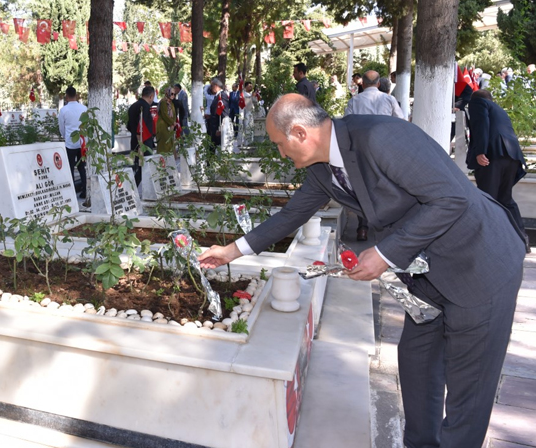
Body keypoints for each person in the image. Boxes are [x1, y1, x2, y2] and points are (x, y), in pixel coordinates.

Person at [198, 93, 526, 448]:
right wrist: (230, 251)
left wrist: (384, 253)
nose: (281, 154)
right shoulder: (323, 169)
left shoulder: (382, 136)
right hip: (428, 280)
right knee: (417, 370)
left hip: (478, 266)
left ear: (299, 133)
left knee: (467, 396)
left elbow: (452, 198)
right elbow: (292, 215)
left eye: (280, 145)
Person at [344, 70, 405, 241]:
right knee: (386, 187)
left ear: (362, 83)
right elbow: (400, 123)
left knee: (362, 187)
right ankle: (385, 228)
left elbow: (346, 125)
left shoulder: (354, 101)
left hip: (361, 149)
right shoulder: (389, 99)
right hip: (385, 149)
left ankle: (362, 228)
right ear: (379, 84)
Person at [466, 89, 529, 251]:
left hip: (493, 155)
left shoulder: (477, 103)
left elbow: (481, 125)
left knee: (488, 199)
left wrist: (481, 151)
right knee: (505, 198)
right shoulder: (498, 109)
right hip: (512, 156)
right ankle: (522, 239)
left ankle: (486, 241)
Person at [57, 86, 88, 198]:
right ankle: (85, 191)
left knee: (69, 168)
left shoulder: (64, 110)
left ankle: (71, 193)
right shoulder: (84, 108)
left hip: (70, 143)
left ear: (66, 96)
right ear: (76, 95)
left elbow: (61, 127)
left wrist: (65, 136)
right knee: (82, 168)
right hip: (82, 142)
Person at [127, 85, 156, 186]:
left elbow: (128, 125)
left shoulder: (133, 106)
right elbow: (147, 128)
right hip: (144, 142)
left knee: (137, 165)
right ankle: (134, 186)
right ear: (151, 96)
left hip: (135, 140)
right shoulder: (145, 107)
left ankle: (134, 186)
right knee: (144, 166)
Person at [205, 77, 229, 151]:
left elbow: (224, 112)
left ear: (216, 86)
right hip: (213, 126)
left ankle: (212, 161)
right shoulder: (217, 96)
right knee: (213, 147)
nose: (211, 88)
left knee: (215, 147)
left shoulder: (222, 95)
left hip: (217, 127)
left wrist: (220, 128)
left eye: (211, 86)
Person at [156, 86, 177, 155]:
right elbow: (164, 114)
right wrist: (172, 122)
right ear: (167, 93)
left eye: (174, 94)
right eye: (171, 94)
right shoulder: (163, 102)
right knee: (164, 144)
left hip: (170, 125)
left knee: (170, 143)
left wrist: (173, 123)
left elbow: (174, 114)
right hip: (163, 125)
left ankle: (169, 162)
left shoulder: (171, 103)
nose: (173, 96)